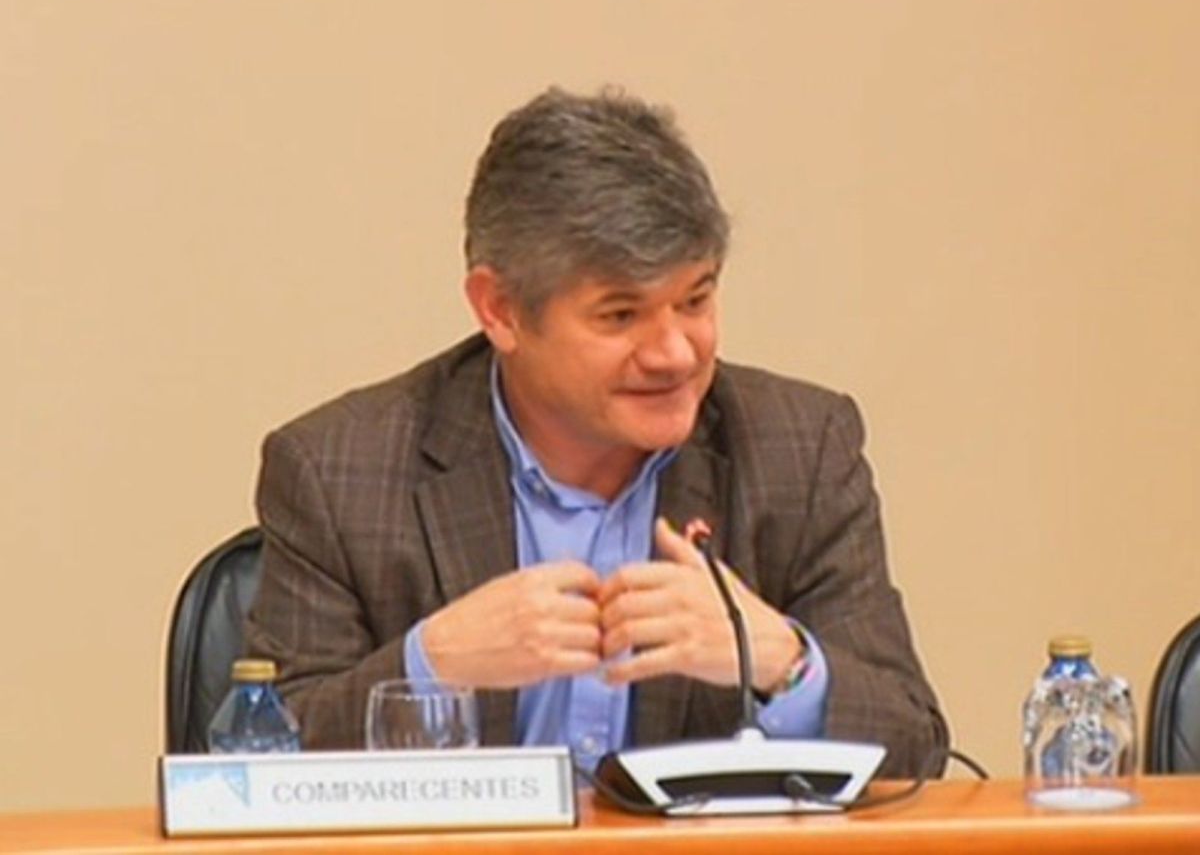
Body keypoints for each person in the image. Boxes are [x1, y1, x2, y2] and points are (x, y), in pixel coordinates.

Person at [245, 87, 948, 778]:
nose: (674, 353)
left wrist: (779, 662)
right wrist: (432, 666)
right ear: (500, 310)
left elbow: (915, 745)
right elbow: (258, 764)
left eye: (695, 300)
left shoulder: (799, 449)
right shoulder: (339, 470)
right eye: (620, 315)